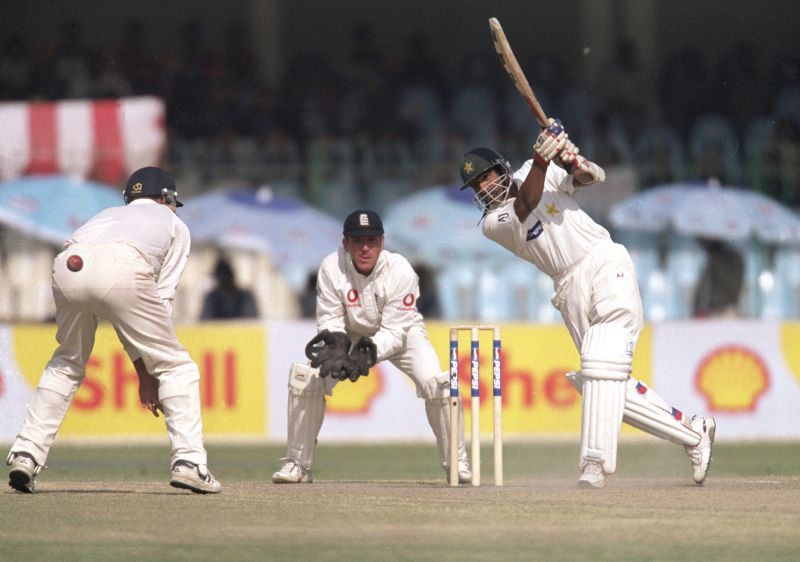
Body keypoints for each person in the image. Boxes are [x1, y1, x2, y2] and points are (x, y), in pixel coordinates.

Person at [458, 120, 716, 488]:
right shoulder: (492, 222)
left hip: (603, 260)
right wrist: (543, 158)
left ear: (501, 168)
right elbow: (526, 204)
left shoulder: (535, 170)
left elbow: (584, 180)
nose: (483, 189)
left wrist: (574, 162)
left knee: (602, 362)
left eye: (486, 178)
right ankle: (694, 434)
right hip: (568, 288)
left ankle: (593, 465)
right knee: (604, 381)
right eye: (476, 187)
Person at [6, 166, 221, 494]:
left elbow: (126, 313)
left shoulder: (108, 214)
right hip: (123, 266)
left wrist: (142, 369)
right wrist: (152, 368)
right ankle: (190, 462)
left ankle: (26, 453)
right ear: (166, 199)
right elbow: (157, 302)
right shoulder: (174, 224)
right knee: (177, 366)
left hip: (69, 263)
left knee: (66, 362)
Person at [271, 209, 470, 484]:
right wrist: (337, 345)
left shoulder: (400, 270)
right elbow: (329, 318)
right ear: (345, 243)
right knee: (305, 379)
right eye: (358, 240)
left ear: (382, 242)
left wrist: (367, 353)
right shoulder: (331, 267)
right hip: (350, 332)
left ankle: (456, 463)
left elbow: (395, 330)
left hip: (402, 333)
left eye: (372, 241)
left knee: (439, 385)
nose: (365, 248)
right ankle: (298, 464)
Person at [692, 238, 745, 318]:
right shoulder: (733, 256)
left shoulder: (718, 258)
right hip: (721, 309)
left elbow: (706, 287)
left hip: (719, 310)